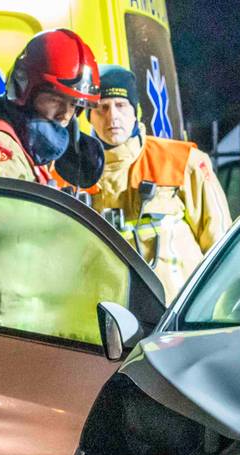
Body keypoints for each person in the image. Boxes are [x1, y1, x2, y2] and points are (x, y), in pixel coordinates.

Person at [85, 65, 231, 299]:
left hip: (177, 305)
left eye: (121, 105)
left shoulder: (182, 160)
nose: (112, 116)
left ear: (136, 112)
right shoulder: (75, 171)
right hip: (109, 306)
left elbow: (219, 238)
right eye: (102, 108)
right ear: (89, 116)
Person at [0, 28, 103, 187]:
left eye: (73, 104)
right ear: (23, 91)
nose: (65, 115)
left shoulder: (27, 151)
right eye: (55, 100)